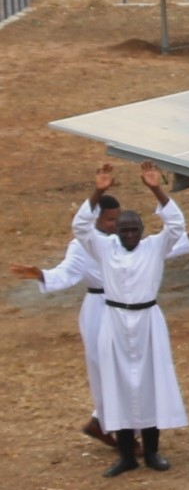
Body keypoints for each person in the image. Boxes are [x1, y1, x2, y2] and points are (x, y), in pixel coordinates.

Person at [64, 162, 189, 475]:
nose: (130, 235)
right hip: (115, 321)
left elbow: (175, 225)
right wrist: (98, 191)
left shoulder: (154, 246)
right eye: (124, 230)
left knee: (151, 384)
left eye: (134, 229)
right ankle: (125, 456)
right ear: (115, 231)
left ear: (142, 230)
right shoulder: (103, 247)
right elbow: (80, 228)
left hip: (148, 321)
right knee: (117, 385)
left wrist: (156, 189)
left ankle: (151, 453)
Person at [9, 176, 123, 446]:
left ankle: (102, 422)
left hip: (125, 310)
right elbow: (66, 271)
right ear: (95, 220)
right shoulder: (82, 245)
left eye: (118, 218)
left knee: (124, 366)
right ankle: (110, 425)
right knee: (104, 368)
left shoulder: (122, 240)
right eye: (110, 220)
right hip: (99, 310)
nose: (115, 224)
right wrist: (41, 275)